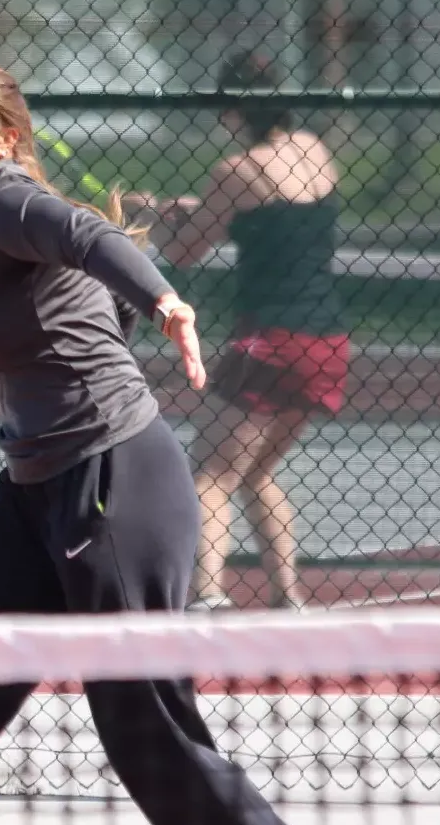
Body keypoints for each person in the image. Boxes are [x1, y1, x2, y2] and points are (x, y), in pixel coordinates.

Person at [0, 60, 373, 825]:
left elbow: (90, 240)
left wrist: (164, 299)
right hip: (30, 492)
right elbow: (76, 313)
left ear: (5, 133)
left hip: (111, 481)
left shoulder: (3, 203)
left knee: (141, 720)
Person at [130, 50, 352, 613]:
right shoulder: (314, 150)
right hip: (328, 341)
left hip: (273, 339)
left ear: (232, 111)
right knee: (255, 469)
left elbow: (184, 248)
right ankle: (288, 595)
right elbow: (272, 215)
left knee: (210, 473)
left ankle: (208, 596)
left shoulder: (237, 170)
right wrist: (185, 208)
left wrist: (151, 217)